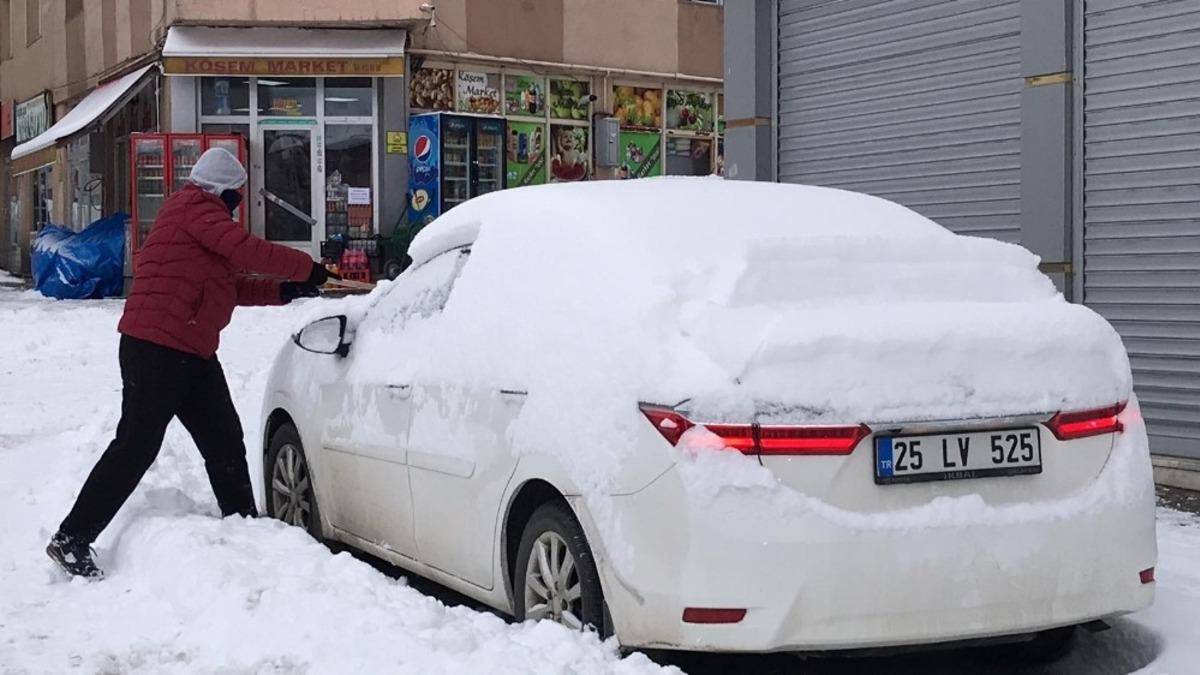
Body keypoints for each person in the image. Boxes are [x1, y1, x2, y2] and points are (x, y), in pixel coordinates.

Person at [46, 147, 332, 579]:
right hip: (157, 348)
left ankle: (244, 527)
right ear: (221, 189)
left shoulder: (197, 221)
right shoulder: (196, 210)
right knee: (136, 445)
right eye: (236, 192)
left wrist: (283, 291)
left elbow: (229, 285)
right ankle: (72, 538)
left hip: (189, 349)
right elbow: (249, 251)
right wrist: (306, 268)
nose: (238, 201)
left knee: (224, 439)